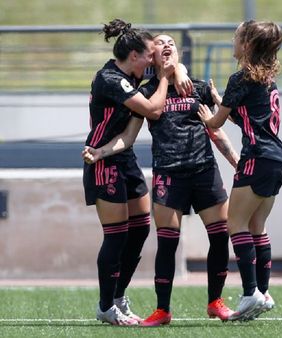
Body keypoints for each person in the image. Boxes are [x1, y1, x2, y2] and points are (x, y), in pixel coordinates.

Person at [83, 33, 240, 326]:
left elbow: (218, 128)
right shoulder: (146, 92)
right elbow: (129, 136)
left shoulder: (198, 87)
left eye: (171, 42)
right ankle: (160, 309)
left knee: (220, 236)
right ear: (151, 58)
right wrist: (101, 151)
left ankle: (215, 302)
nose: (166, 45)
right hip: (168, 175)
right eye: (160, 44)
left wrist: (236, 161)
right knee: (166, 243)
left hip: (204, 171)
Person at [82, 18, 175, 326]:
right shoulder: (111, 79)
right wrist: (164, 76)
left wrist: (172, 69)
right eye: (149, 54)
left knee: (139, 229)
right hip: (102, 162)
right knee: (116, 235)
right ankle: (106, 305)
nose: (153, 60)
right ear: (134, 56)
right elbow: (153, 110)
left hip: (124, 158)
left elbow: (131, 134)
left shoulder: (132, 79)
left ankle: (118, 297)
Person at [197, 20, 282, 321]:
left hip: (257, 157)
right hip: (277, 158)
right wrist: (219, 101)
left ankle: (250, 292)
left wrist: (206, 114)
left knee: (234, 223)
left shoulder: (240, 78)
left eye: (236, 37)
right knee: (257, 227)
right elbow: (246, 117)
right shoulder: (265, 80)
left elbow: (216, 124)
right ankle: (262, 293)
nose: (233, 42)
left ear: (247, 45)